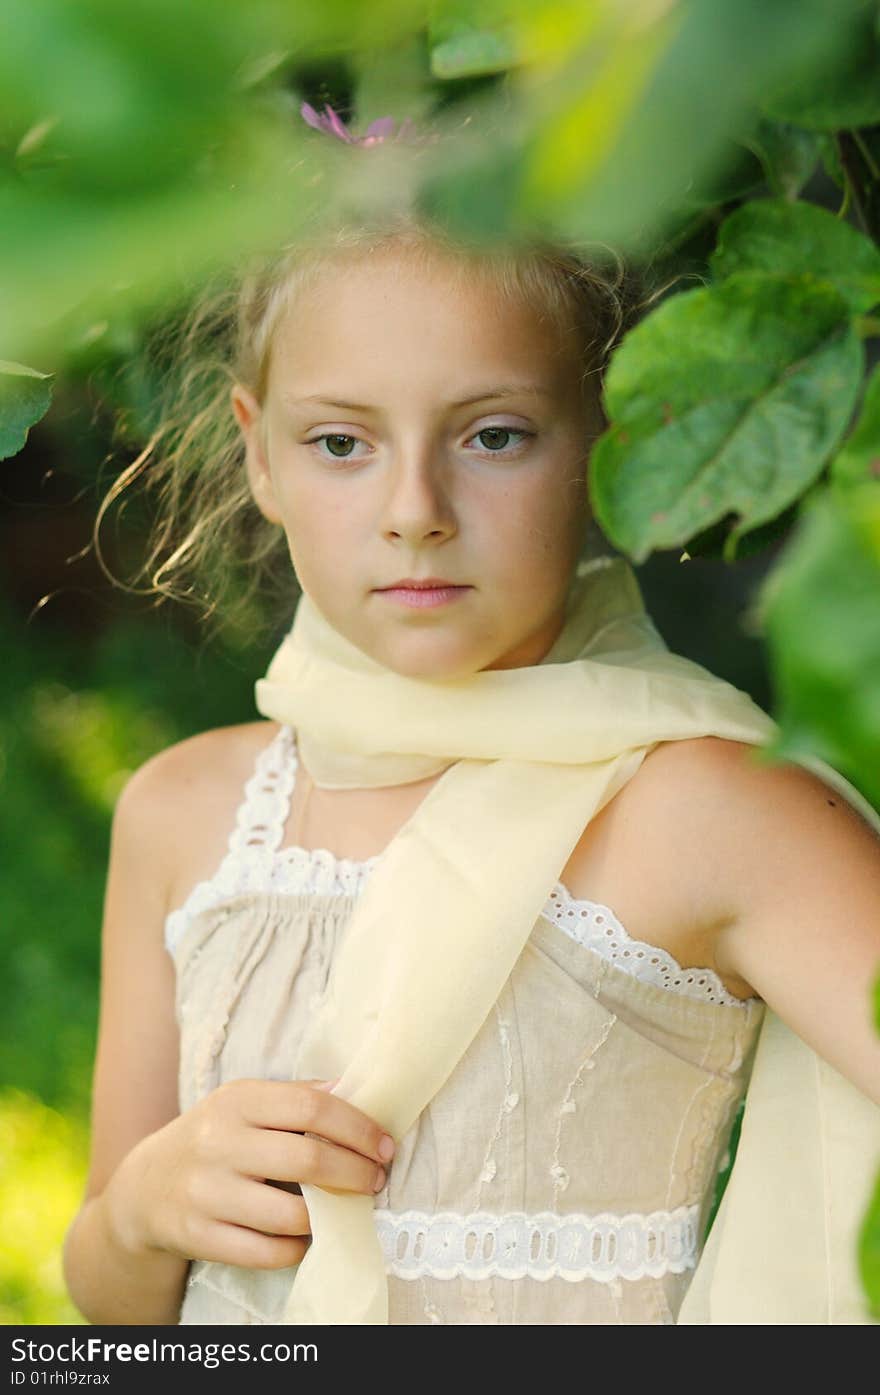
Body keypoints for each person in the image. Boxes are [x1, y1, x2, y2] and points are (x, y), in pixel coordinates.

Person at [61, 112, 880, 1327]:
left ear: (609, 432)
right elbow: (111, 1315)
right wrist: (139, 1207)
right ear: (260, 456)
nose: (414, 509)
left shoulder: (713, 808)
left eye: (493, 435)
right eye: (340, 443)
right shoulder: (185, 814)